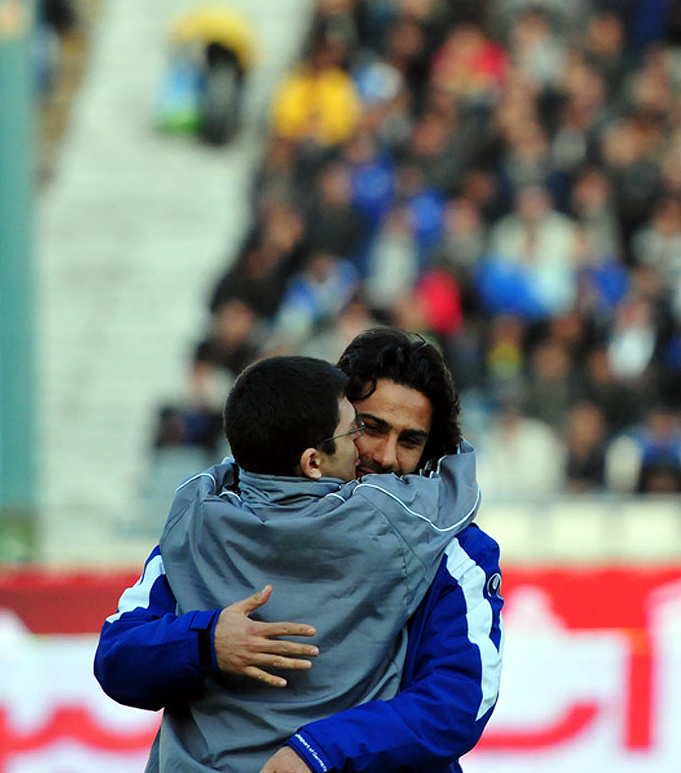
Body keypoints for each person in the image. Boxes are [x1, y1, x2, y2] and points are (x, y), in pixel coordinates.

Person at [96, 329, 503, 773]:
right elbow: (119, 658)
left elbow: (457, 700)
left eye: (410, 440)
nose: (385, 456)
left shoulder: (451, 547)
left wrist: (322, 750)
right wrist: (206, 641)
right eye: (369, 428)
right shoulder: (210, 527)